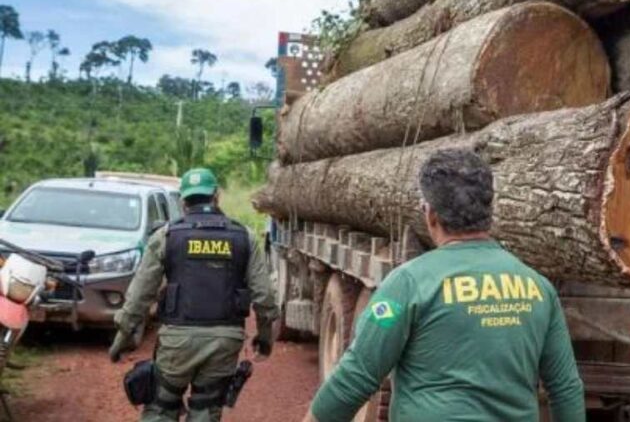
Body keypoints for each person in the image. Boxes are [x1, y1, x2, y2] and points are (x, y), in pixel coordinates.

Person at [305, 149, 585, 422]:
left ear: (431, 216)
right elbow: (565, 388)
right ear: (489, 210)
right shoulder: (539, 288)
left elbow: (356, 377)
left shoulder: (408, 284)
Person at [109, 167, 278, 422]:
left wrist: (122, 337)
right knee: (206, 409)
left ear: (183, 201)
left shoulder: (165, 236)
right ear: (216, 196)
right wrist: (264, 338)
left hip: (177, 341)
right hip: (225, 341)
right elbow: (264, 298)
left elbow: (140, 295)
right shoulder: (245, 237)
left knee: (161, 407)